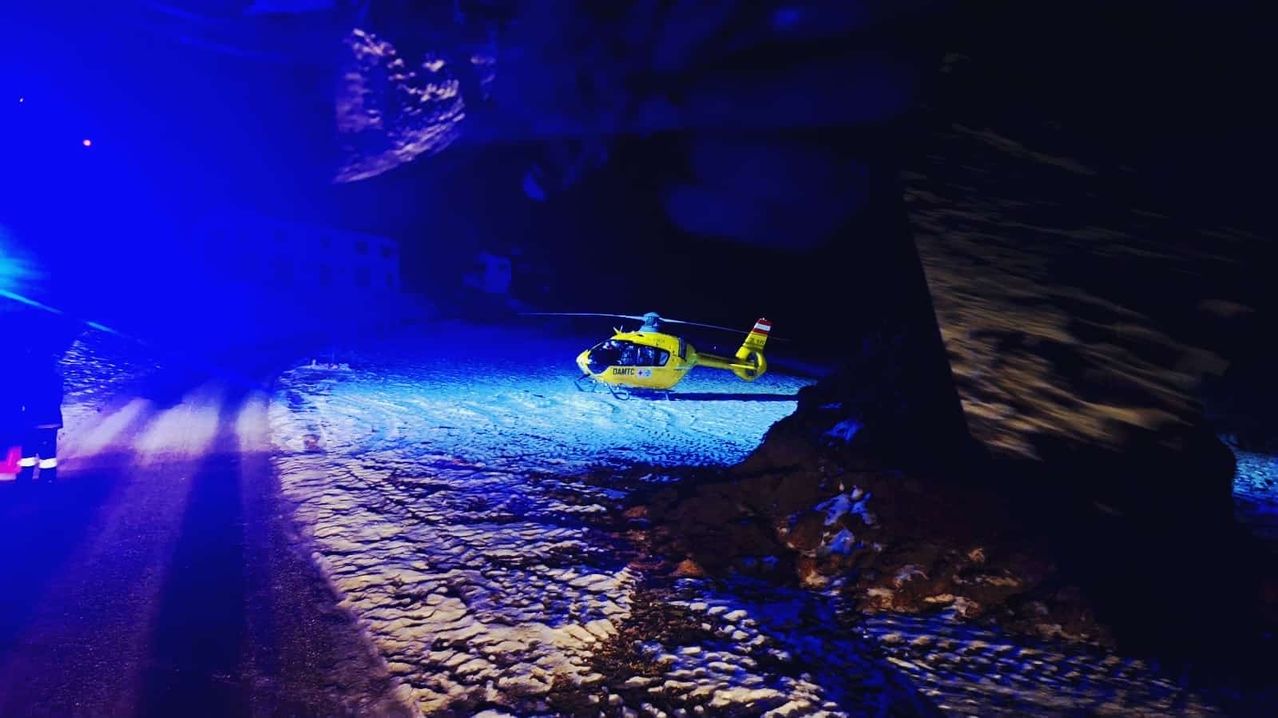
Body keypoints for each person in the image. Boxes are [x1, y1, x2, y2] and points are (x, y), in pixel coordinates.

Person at [13, 346, 64, 483]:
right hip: (51, 419)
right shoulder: (55, 379)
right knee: (48, 450)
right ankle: (48, 476)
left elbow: (20, 397)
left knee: (28, 448)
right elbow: (58, 398)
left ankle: (26, 476)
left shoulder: (27, 380)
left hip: (32, 420)